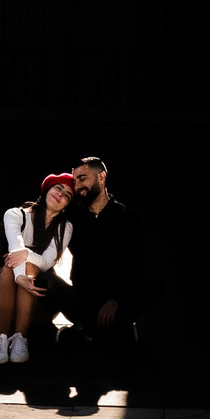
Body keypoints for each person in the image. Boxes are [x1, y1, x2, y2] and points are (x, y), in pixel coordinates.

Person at [58, 156, 149, 396]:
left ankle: (91, 333)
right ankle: (99, 331)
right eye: (75, 180)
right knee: (46, 279)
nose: (77, 185)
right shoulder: (73, 217)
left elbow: (136, 268)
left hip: (117, 302)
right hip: (83, 299)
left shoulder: (127, 218)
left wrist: (115, 299)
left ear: (101, 177)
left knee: (153, 283)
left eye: (83, 178)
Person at [0, 172, 78, 365]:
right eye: (58, 188)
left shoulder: (65, 227)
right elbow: (16, 247)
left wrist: (26, 259)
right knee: (7, 269)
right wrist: (19, 276)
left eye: (67, 195)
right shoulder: (14, 214)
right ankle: (1, 340)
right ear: (48, 188)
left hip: (38, 306)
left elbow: (47, 262)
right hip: (1, 301)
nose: (61, 194)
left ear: (67, 205)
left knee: (29, 264)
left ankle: (21, 338)